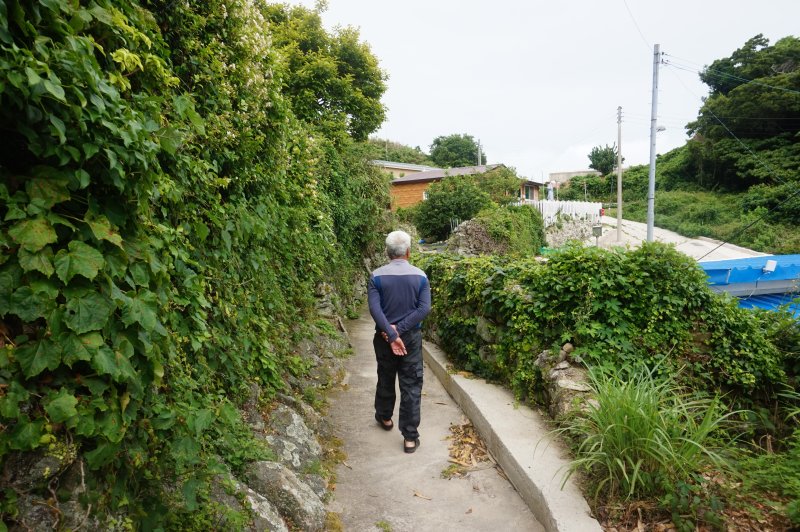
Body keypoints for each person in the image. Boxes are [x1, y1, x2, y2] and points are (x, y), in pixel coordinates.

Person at [367, 230, 431, 453]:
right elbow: (424, 308)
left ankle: (385, 418)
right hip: (411, 338)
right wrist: (401, 331)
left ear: (388, 252)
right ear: (408, 252)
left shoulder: (376, 276)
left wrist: (391, 334)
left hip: (384, 337)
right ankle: (410, 437)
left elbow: (374, 309)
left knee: (385, 376)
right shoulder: (421, 276)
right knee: (411, 384)